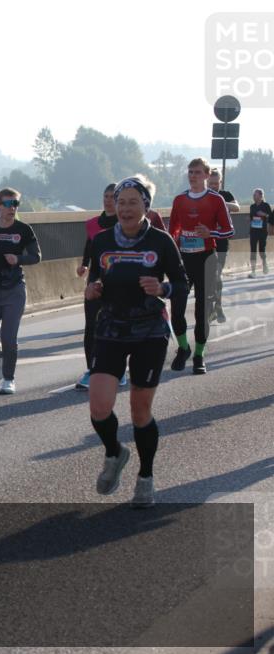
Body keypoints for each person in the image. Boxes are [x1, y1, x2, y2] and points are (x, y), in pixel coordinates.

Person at [86, 175, 188, 508]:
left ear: (146, 205)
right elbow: (94, 281)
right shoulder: (101, 241)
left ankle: (146, 477)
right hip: (112, 328)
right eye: (121, 202)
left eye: (133, 201)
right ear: (114, 205)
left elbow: (182, 284)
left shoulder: (160, 241)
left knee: (139, 410)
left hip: (149, 331)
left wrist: (164, 289)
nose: (126, 208)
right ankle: (115, 453)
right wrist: (91, 291)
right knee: (99, 407)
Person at [167, 158, 234, 375]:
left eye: (197, 172)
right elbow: (173, 231)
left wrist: (211, 233)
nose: (192, 175)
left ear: (206, 175)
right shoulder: (179, 200)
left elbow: (229, 230)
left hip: (206, 259)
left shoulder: (216, 200)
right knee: (176, 309)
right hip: (183, 260)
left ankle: (199, 355)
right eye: (190, 171)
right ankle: (184, 348)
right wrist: (172, 248)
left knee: (201, 312)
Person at [0, 187, 41, 395]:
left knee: (9, 336)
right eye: (7, 204)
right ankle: (0, 354)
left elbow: (36, 256)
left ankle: (8, 379)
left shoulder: (23, 229)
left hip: (14, 289)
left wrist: (19, 259)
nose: (11, 208)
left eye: (15, 204)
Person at [76, 183, 119, 390]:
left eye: (112, 196)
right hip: (95, 281)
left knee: (117, 326)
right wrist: (84, 264)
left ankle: (117, 371)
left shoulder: (125, 223)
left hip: (120, 281)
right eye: (105, 196)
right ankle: (92, 370)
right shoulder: (92, 223)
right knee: (91, 326)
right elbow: (89, 245)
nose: (108, 200)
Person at [207, 169, 240, 320]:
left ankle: (217, 307)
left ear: (220, 182)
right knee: (207, 278)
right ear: (206, 182)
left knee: (216, 275)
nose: (213, 186)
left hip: (221, 243)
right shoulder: (202, 195)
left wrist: (220, 202)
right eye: (211, 183)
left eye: (216, 183)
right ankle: (213, 307)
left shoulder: (225, 195)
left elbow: (236, 207)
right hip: (205, 242)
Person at [248, 188, 271, 277]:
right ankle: (253, 271)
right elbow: (251, 217)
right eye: (253, 195)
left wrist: (264, 214)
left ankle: (264, 263)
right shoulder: (252, 206)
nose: (253, 197)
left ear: (261, 196)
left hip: (263, 231)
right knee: (252, 250)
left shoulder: (266, 205)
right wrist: (249, 220)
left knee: (262, 250)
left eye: (255, 195)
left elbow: (270, 217)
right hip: (253, 231)